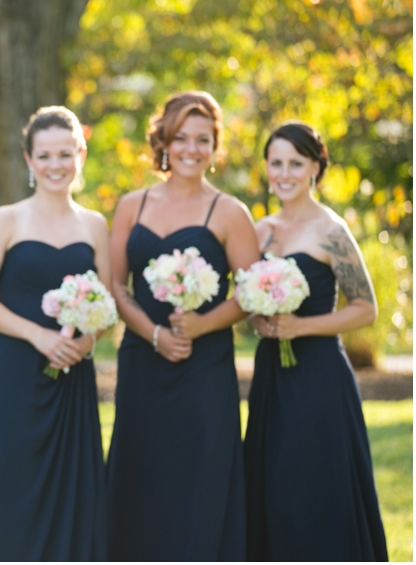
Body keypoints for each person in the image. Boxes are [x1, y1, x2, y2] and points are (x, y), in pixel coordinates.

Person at [0, 106, 110, 561]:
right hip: (15, 373)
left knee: (71, 486)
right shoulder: (7, 219)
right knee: (4, 478)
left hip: (73, 375)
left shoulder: (95, 225)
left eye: (66, 153)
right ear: (28, 159)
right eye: (45, 155)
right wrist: (38, 336)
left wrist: (87, 341)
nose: (55, 165)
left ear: (81, 154)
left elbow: (105, 304)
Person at [105, 91, 259, 560]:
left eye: (203, 139)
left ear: (215, 147)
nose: (192, 148)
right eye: (181, 138)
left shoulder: (230, 212)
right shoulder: (133, 205)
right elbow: (114, 284)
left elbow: (251, 293)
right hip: (141, 363)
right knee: (142, 471)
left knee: (202, 473)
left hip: (204, 367)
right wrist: (152, 334)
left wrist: (202, 324)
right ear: (164, 143)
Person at [244, 122, 388, 561]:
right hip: (272, 373)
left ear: (315, 168)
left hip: (319, 374)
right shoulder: (259, 230)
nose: (284, 173)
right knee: (273, 481)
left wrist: (301, 328)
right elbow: (248, 303)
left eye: (295, 163)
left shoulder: (332, 231)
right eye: (276, 163)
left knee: (313, 483)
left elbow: (366, 307)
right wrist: (259, 320)